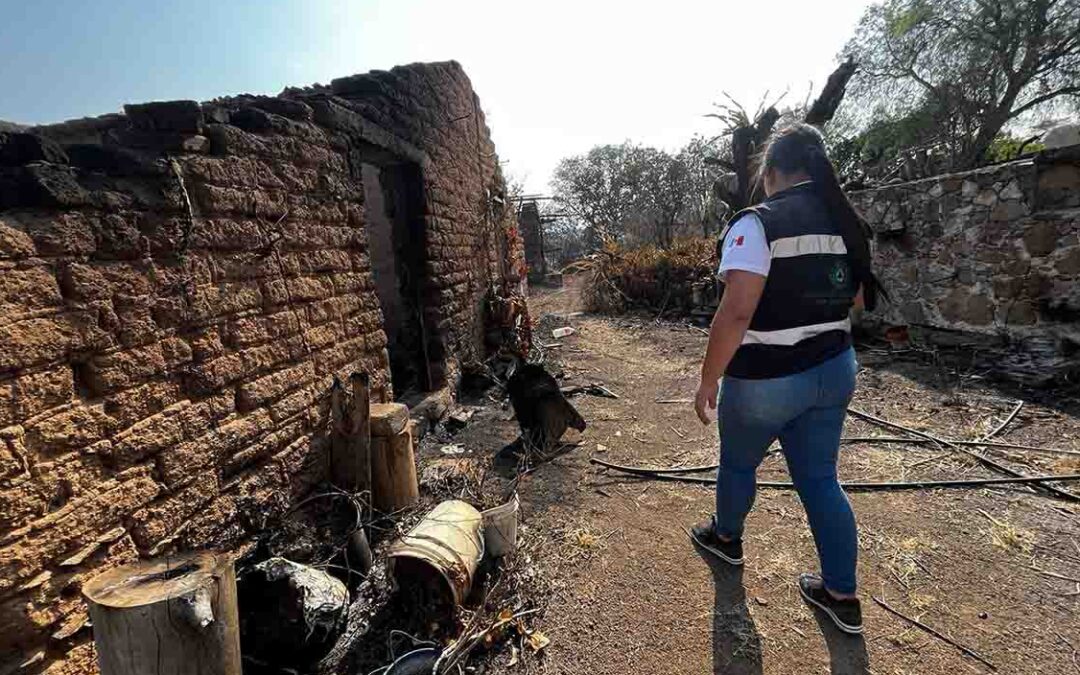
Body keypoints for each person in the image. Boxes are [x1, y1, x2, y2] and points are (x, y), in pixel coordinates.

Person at [688, 123, 884, 635]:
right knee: (820, 480)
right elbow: (858, 302)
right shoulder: (845, 219)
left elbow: (735, 314)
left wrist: (709, 379)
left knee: (737, 464)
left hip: (765, 382)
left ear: (771, 172)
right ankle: (841, 595)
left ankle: (726, 540)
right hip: (834, 371)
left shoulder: (756, 224)